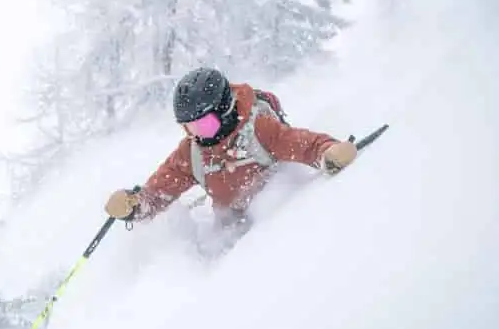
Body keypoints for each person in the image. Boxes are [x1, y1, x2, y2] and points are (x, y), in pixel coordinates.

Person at [104, 67, 358, 230]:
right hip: (230, 233)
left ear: (225, 111)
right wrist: (132, 206)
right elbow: (158, 194)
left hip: (277, 222)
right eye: (188, 127)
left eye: (204, 125)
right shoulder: (192, 153)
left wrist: (329, 153)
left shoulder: (259, 129)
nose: (197, 135)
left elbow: (305, 145)